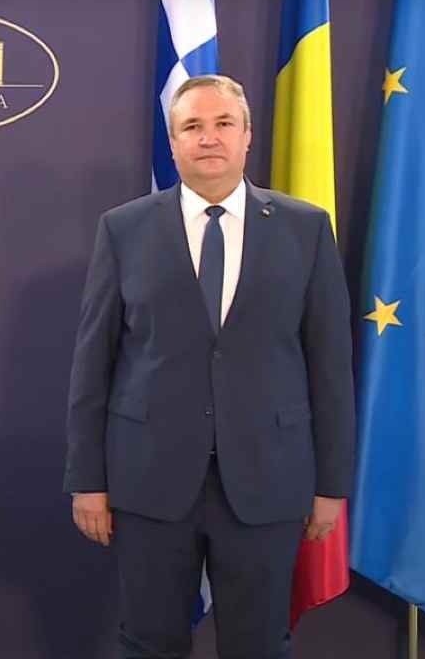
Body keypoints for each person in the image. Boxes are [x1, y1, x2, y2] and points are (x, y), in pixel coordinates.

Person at [64, 75, 355, 659]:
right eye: (192, 126)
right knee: (148, 642)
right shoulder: (124, 229)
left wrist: (331, 486)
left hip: (268, 483)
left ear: (247, 136)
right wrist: (87, 479)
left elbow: (329, 366)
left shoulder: (305, 228)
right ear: (173, 143)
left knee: (260, 645)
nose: (209, 138)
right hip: (149, 481)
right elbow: (94, 364)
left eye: (223, 124)